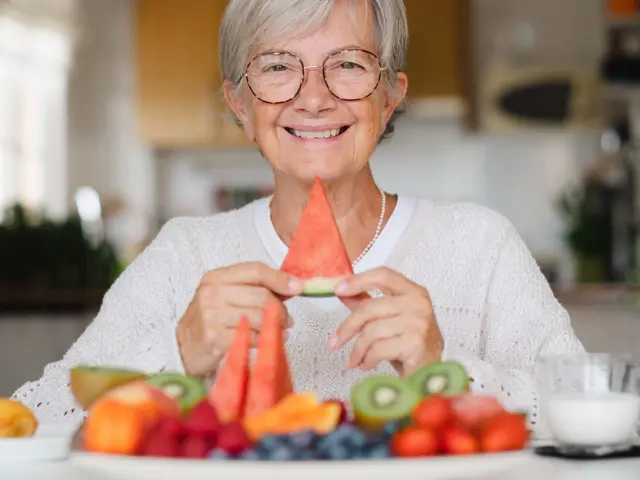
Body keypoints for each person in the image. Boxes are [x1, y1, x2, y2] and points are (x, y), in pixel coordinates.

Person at [12, 0, 584, 434]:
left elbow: (588, 416)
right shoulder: (184, 254)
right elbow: (33, 419)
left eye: (350, 65)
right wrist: (175, 350)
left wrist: (446, 365)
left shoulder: (478, 246)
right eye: (279, 67)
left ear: (389, 96)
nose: (313, 98)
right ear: (240, 103)